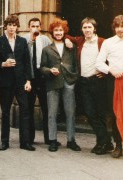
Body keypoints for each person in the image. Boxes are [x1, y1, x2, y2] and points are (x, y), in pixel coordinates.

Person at [64, 17, 115, 155]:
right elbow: (61, 33)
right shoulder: (80, 41)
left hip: (98, 82)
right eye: (85, 27)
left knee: (101, 113)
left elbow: (113, 59)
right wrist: (67, 39)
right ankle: (105, 142)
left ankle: (103, 143)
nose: (87, 30)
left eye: (89, 27)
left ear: (95, 29)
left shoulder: (103, 42)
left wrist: (105, 73)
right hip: (84, 82)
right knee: (89, 113)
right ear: (82, 29)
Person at [0, 15, 34, 151]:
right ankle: (4, 141)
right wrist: (3, 64)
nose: (12, 27)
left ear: (17, 27)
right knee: (5, 112)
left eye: (14, 25)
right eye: (9, 25)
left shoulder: (22, 41)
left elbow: (27, 62)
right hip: (5, 82)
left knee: (25, 110)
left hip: (21, 81)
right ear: (5, 26)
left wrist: (28, 80)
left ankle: (25, 142)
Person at [40, 18, 81, 152]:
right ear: (52, 32)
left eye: (60, 30)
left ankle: (71, 140)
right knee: (52, 113)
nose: (58, 32)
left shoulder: (70, 47)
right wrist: (49, 70)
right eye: (56, 30)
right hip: (52, 83)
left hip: (68, 82)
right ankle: (52, 140)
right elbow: (42, 67)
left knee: (70, 112)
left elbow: (75, 64)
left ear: (64, 32)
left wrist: (73, 78)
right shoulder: (47, 49)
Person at [23, 17, 59, 146]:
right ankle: (29, 138)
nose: (36, 29)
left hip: (43, 77)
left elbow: (54, 51)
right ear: (29, 27)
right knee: (29, 107)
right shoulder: (24, 39)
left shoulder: (45, 40)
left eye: (38, 26)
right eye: (33, 26)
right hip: (30, 77)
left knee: (46, 108)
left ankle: (49, 138)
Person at [96, 15, 123, 158]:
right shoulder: (108, 43)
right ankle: (118, 145)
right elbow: (99, 63)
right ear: (113, 27)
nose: (120, 29)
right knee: (116, 113)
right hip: (114, 81)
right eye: (117, 26)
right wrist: (111, 70)